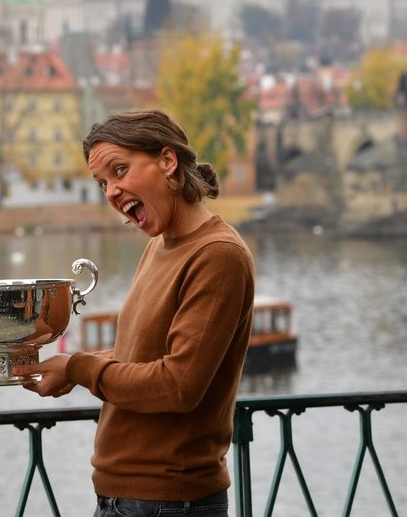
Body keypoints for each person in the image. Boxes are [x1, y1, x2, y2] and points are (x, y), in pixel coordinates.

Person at [19, 109, 256, 517]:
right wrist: (71, 367)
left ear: (168, 161)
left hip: (170, 501)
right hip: (128, 497)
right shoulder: (160, 245)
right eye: (102, 183)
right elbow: (140, 356)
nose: (111, 191)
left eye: (120, 170)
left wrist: (79, 369)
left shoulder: (218, 255)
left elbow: (178, 385)